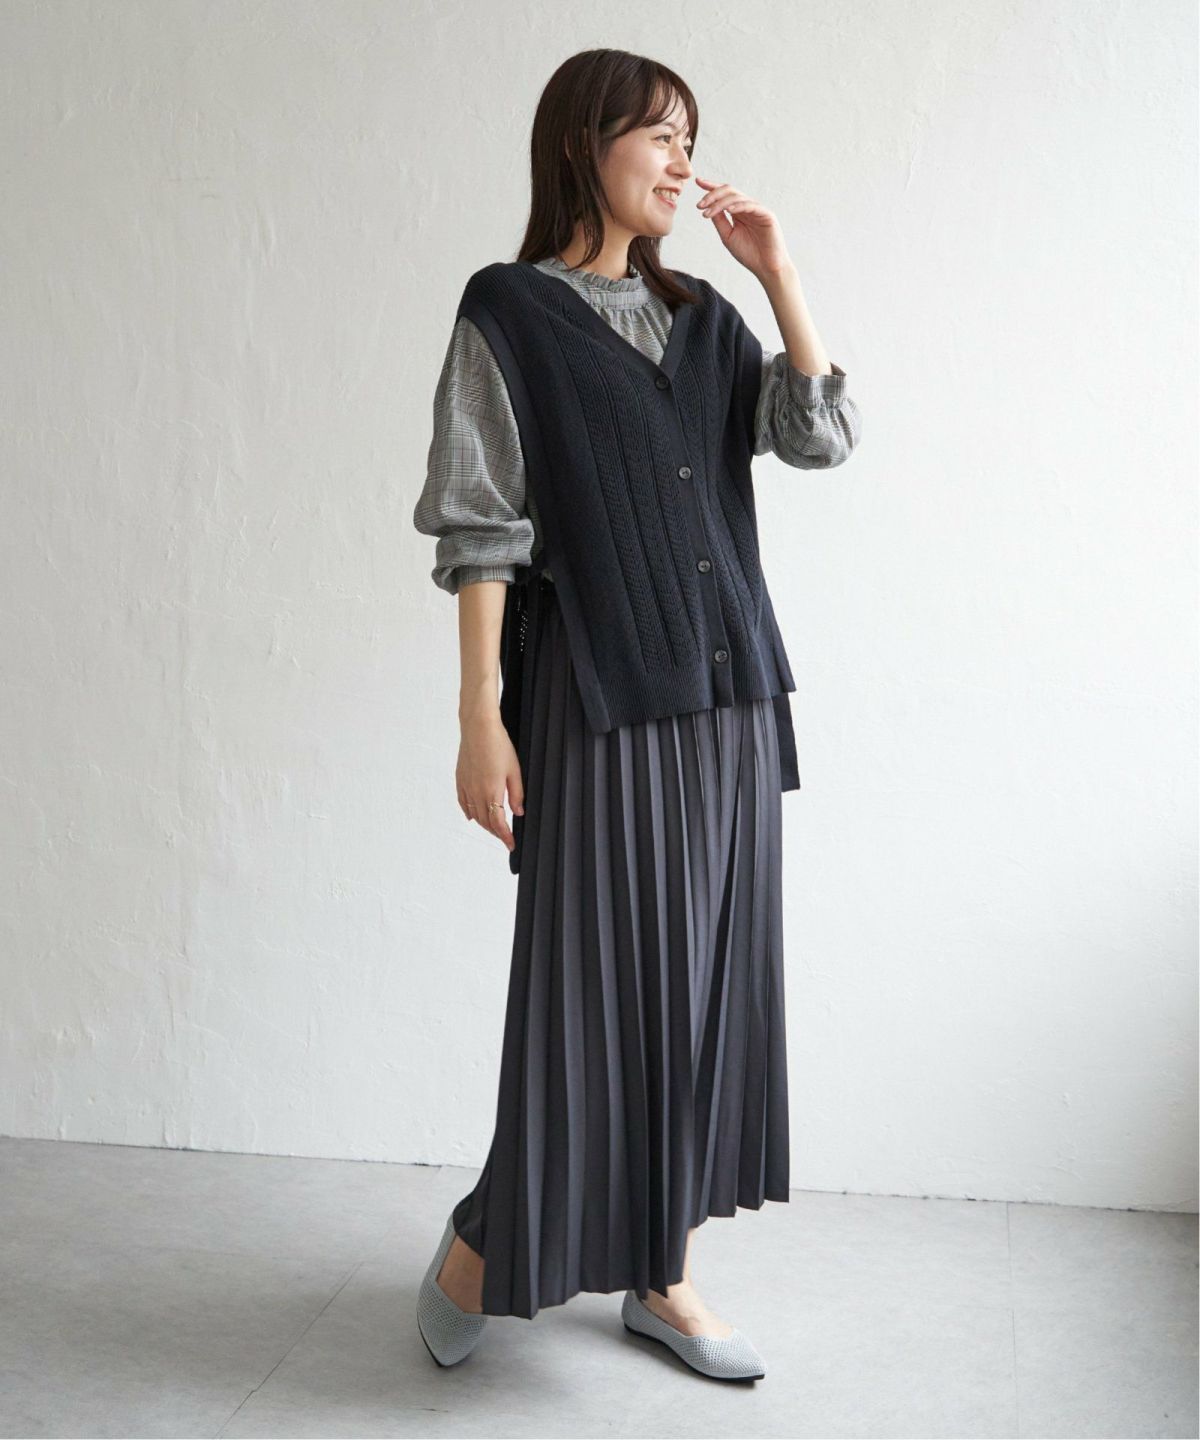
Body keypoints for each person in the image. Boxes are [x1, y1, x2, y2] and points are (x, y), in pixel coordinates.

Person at [411, 47, 862, 1381]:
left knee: (707, 998)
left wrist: (778, 274)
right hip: (595, 699)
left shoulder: (710, 321)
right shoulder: (509, 312)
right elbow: (480, 523)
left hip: (730, 700)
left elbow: (822, 438)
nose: (681, 161)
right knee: (589, 1004)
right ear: (583, 144)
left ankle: (663, 1278)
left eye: (689, 140)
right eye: (659, 136)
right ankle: (483, 1245)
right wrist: (479, 716)